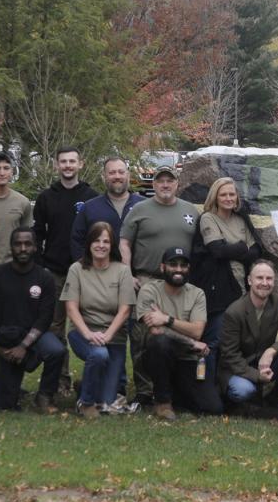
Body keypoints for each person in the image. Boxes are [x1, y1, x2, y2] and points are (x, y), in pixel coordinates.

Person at [119, 164, 200, 405]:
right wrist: (127, 272)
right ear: (153, 184)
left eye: (170, 180)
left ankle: (171, 387)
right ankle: (145, 390)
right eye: (160, 181)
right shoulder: (139, 210)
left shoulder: (191, 211)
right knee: (143, 336)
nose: (165, 185)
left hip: (181, 281)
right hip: (147, 279)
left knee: (175, 333)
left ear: (177, 183)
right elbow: (124, 242)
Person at [33, 146, 98, 396]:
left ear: (81, 164)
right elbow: (38, 234)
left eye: (72, 161)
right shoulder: (46, 197)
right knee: (55, 328)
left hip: (87, 272)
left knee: (92, 325)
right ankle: (60, 381)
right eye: (63, 161)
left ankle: (94, 379)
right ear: (56, 165)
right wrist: (41, 265)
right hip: (56, 272)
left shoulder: (91, 197)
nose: (68, 165)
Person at [191, 177, 263, 390]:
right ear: (215, 197)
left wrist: (235, 249)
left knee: (236, 341)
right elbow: (217, 250)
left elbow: (256, 251)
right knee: (215, 339)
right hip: (218, 290)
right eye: (223, 194)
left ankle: (230, 389)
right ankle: (207, 389)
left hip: (241, 289)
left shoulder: (241, 220)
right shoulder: (208, 218)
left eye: (232, 194)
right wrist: (241, 248)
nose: (228, 198)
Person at [0, 228, 66, 412]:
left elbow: (45, 318)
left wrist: (23, 346)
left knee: (56, 350)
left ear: (35, 247)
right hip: (6, 339)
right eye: (17, 244)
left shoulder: (45, 278)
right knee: (4, 405)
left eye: (27, 244)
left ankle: (45, 396)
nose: (22, 248)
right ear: (11, 247)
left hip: (35, 337)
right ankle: (4, 388)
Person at [135, 247, 221, 420]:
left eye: (183, 265)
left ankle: (176, 393)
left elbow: (197, 331)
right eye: (173, 264)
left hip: (187, 359)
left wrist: (166, 319)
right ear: (162, 267)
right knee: (160, 342)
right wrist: (191, 342)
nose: (178, 269)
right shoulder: (149, 290)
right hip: (155, 357)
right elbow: (156, 331)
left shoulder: (197, 293)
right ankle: (162, 402)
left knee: (212, 408)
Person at [61, 221, 136, 418]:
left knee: (107, 401)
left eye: (106, 241)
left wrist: (108, 335)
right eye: (96, 240)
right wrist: (89, 334)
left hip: (115, 336)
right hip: (82, 332)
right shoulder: (76, 269)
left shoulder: (122, 271)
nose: (101, 245)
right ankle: (85, 403)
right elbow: (71, 308)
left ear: (112, 245)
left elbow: (125, 310)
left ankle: (85, 386)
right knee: (99, 355)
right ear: (89, 243)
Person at [219, 260, 278, 421]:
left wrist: (271, 351)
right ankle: (240, 404)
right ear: (249, 280)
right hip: (240, 367)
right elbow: (229, 356)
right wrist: (258, 376)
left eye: (269, 278)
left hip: (267, 363)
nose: (265, 283)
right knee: (243, 391)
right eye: (260, 278)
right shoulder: (234, 311)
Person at [70, 156, 144, 260]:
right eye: (112, 173)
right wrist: (87, 267)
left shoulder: (144, 206)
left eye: (121, 172)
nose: (117, 176)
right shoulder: (89, 208)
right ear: (103, 176)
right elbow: (77, 242)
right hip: (99, 268)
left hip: (138, 270)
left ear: (128, 175)